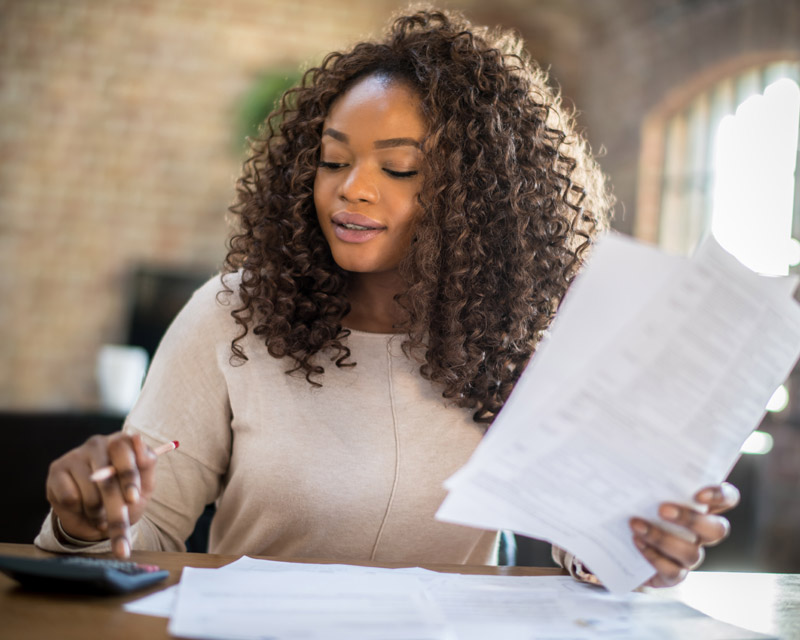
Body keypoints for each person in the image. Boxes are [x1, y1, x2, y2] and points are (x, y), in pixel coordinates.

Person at [37, 7, 738, 589]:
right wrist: (84, 521)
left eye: (398, 168)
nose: (352, 188)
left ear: (482, 200)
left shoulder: (523, 344)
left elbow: (586, 542)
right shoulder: (232, 317)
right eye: (334, 160)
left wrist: (641, 545)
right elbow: (136, 536)